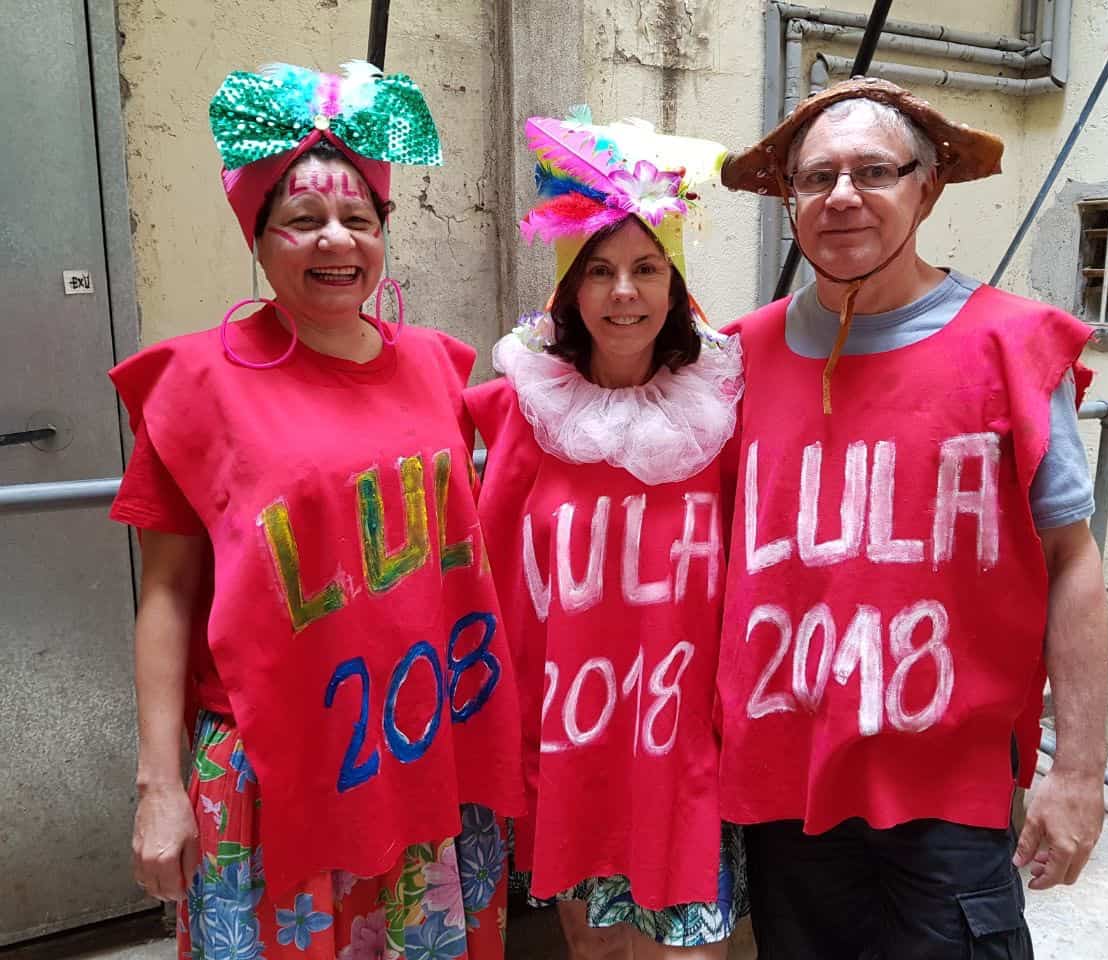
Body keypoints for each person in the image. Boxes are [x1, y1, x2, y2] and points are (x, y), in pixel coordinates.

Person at [108, 61, 523, 958]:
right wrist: (159, 785)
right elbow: (167, 595)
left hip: (422, 752)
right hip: (272, 773)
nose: (336, 238)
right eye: (303, 219)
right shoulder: (196, 385)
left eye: (358, 218)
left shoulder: (438, 366)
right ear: (258, 238)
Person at [713, 77, 1108, 957]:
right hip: (786, 781)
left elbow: (1071, 559)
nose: (842, 196)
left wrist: (1079, 770)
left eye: (873, 171)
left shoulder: (1013, 347)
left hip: (949, 788)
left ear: (926, 189)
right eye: (816, 177)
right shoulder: (735, 358)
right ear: (789, 200)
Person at [463, 111, 749, 959]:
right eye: (599, 270)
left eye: (646, 268)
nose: (624, 292)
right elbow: (488, 584)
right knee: (593, 952)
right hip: (574, 750)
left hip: (686, 750)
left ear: (674, 284)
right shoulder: (521, 411)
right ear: (571, 290)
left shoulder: (724, 413)